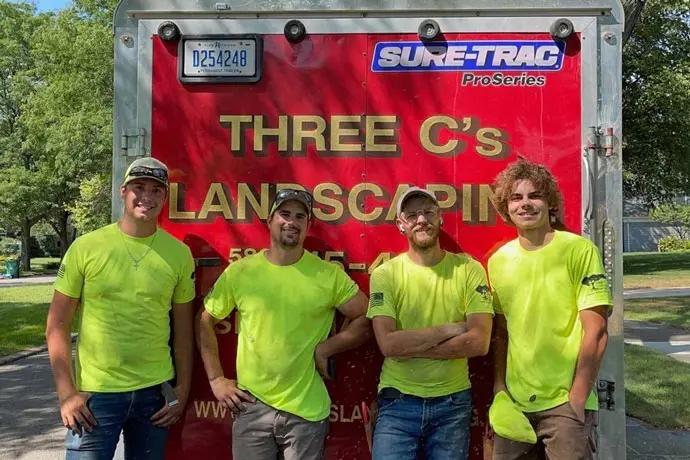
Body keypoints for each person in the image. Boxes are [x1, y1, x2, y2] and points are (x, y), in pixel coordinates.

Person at [198, 187, 372, 460]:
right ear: (270, 221)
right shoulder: (242, 272)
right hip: (251, 406)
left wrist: (327, 348)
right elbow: (206, 320)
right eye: (284, 214)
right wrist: (216, 379)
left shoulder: (328, 276)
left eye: (300, 216)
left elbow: (366, 317)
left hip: (306, 410)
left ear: (307, 225)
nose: (291, 221)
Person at [45, 157, 196, 460]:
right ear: (123, 190)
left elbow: (183, 332)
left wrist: (182, 390)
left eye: (156, 190)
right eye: (139, 187)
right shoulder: (87, 247)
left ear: (165, 197)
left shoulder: (179, 254)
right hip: (95, 395)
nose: (147, 197)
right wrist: (67, 394)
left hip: (155, 394)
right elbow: (56, 325)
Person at [489, 159, 612, 460]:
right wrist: (499, 389)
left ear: (550, 202)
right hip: (515, 405)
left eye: (535, 195)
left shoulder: (578, 250)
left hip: (564, 405)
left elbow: (596, 330)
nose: (525, 204)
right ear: (506, 207)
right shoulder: (498, 261)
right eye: (516, 198)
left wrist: (578, 398)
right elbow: (502, 333)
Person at [367, 186, 494, 460]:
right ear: (400, 225)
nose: (421, 220)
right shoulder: (385, 275)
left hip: (453, 404)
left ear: (440, 218)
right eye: (412, 215)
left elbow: (479, 341)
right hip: (397, 401)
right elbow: (388, 344)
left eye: (428, 212)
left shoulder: (468, 270)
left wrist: (409, 348)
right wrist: (448, 330)